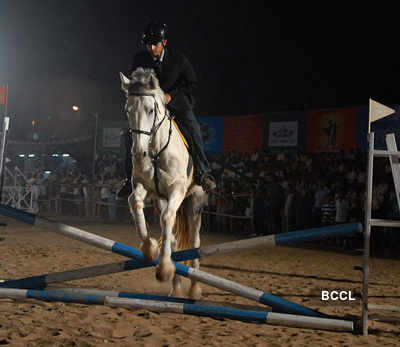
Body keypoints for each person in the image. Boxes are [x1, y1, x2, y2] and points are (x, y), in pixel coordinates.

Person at [117, 21, 216, 199]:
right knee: (129, 134)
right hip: (150, 107)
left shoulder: (179, 60)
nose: (151, 47)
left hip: (177, 104)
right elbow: (135, 84)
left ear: (164, 43)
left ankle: (203, 171)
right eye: (148, 44)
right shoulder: (139, 59)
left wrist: (172, 96)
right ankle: (128, 177)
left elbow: (192, 83)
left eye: (155, 44)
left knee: (193, 128)